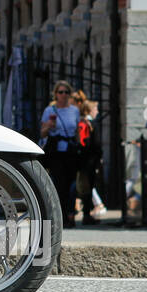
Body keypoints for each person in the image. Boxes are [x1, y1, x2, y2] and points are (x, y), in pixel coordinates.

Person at [40, 80, 81, 228]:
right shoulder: (49, 111)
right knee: (59, 184)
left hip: (70, 151)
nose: (63, 95)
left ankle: (70, 214)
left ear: (70, 94)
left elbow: (76, 131)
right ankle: (61, 216)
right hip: (56, 151)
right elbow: (42, 133)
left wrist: (79, 146)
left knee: (72, 184)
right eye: (60, 92)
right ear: (55, 94)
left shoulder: (74, 110)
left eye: (66, 92)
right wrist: (49, 127)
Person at [72, 90, 106, 224]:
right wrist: (99, 156)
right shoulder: (90, 124)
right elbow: (94, 143)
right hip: (89, 160)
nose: (97, 110)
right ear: (89, 110)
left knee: (84, 187)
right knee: (87, 187)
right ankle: (86, 215)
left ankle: (80, 214)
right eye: (95, 108)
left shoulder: (82, 123)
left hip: (82, 159)